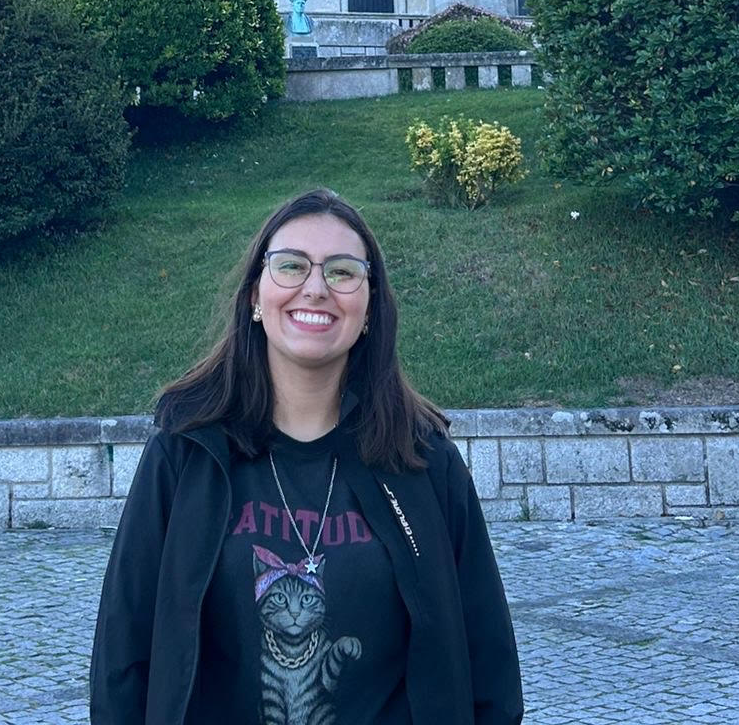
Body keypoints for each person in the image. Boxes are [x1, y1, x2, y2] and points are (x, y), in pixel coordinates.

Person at [89, 187, 524, 725]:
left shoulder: (423, 459)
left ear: (368, 307)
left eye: (342, 272)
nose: (315, 289)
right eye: (291, 266)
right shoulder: (186, 452)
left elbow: (489, 663)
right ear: (255, 297)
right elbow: (123, 650)